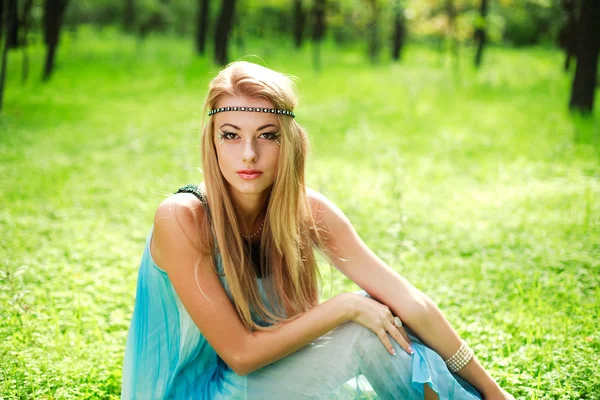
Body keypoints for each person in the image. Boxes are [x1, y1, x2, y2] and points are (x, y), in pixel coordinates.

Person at [121, 61, 515, 400]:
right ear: (212, 141)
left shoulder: (306, 211)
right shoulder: (182, 218)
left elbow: (409, 301)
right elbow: (240, 354)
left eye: (267, 135)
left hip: (254, 386)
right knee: (364, 324)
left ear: (288, 141)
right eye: (231, 135)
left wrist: (494, 391)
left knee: (386, 309)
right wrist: (346, 307)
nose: (248, 154)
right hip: (193, 393)